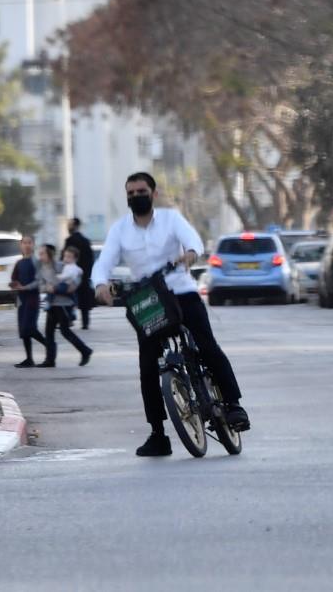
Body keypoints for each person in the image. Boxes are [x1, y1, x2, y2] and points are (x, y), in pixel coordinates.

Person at [92, 172, 249, 457]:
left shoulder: (171, 219)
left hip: (181, 291)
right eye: (130, 193)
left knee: (207, 346)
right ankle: (157, 433)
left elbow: (193, 242)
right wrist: (100, 284)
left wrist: (190, 254)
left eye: (141, 191)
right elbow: (103, 263)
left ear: (153, 193)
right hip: (148, 299)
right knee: (147, 367)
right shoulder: (119, 230)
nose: (135, 197)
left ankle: (234, 405)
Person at [39, 245, 93, 368]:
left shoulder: (61, 266)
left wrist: (55, 288)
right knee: (49, 332)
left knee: (65, 331)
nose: (40, 257)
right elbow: (41, 285)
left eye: (43, 254)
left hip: (63, 304)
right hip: (52, 304)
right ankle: (50, 360)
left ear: (49, 255)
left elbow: (73, 284)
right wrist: (46, 288)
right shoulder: (44, 268)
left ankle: (85, 351)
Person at [10, 235, 48, 368]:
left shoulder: (36, 261)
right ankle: (29, 358)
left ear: (33, 245)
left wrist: (25, 287)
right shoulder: (19, 263)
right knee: (24, 330)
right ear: (20, 245)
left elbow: (39, 281)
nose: (27, 245)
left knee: (30, 328)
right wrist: (14, 284)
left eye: (29, 243)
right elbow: (14, 277)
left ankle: (49, 345)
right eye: (24, 243)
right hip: (22, 300)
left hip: (32, 299)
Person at [64, 218, 95, 329]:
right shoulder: (86, 241)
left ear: (75, 226)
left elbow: (64, 257)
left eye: (70, 225)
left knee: (68, 297)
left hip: (70, 275)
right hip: (84, 274)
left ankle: (67, 320)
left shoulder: (69, 240)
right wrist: (87, 274)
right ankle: (85, 323)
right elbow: (91, 259)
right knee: (84, 300)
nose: (68, 227)